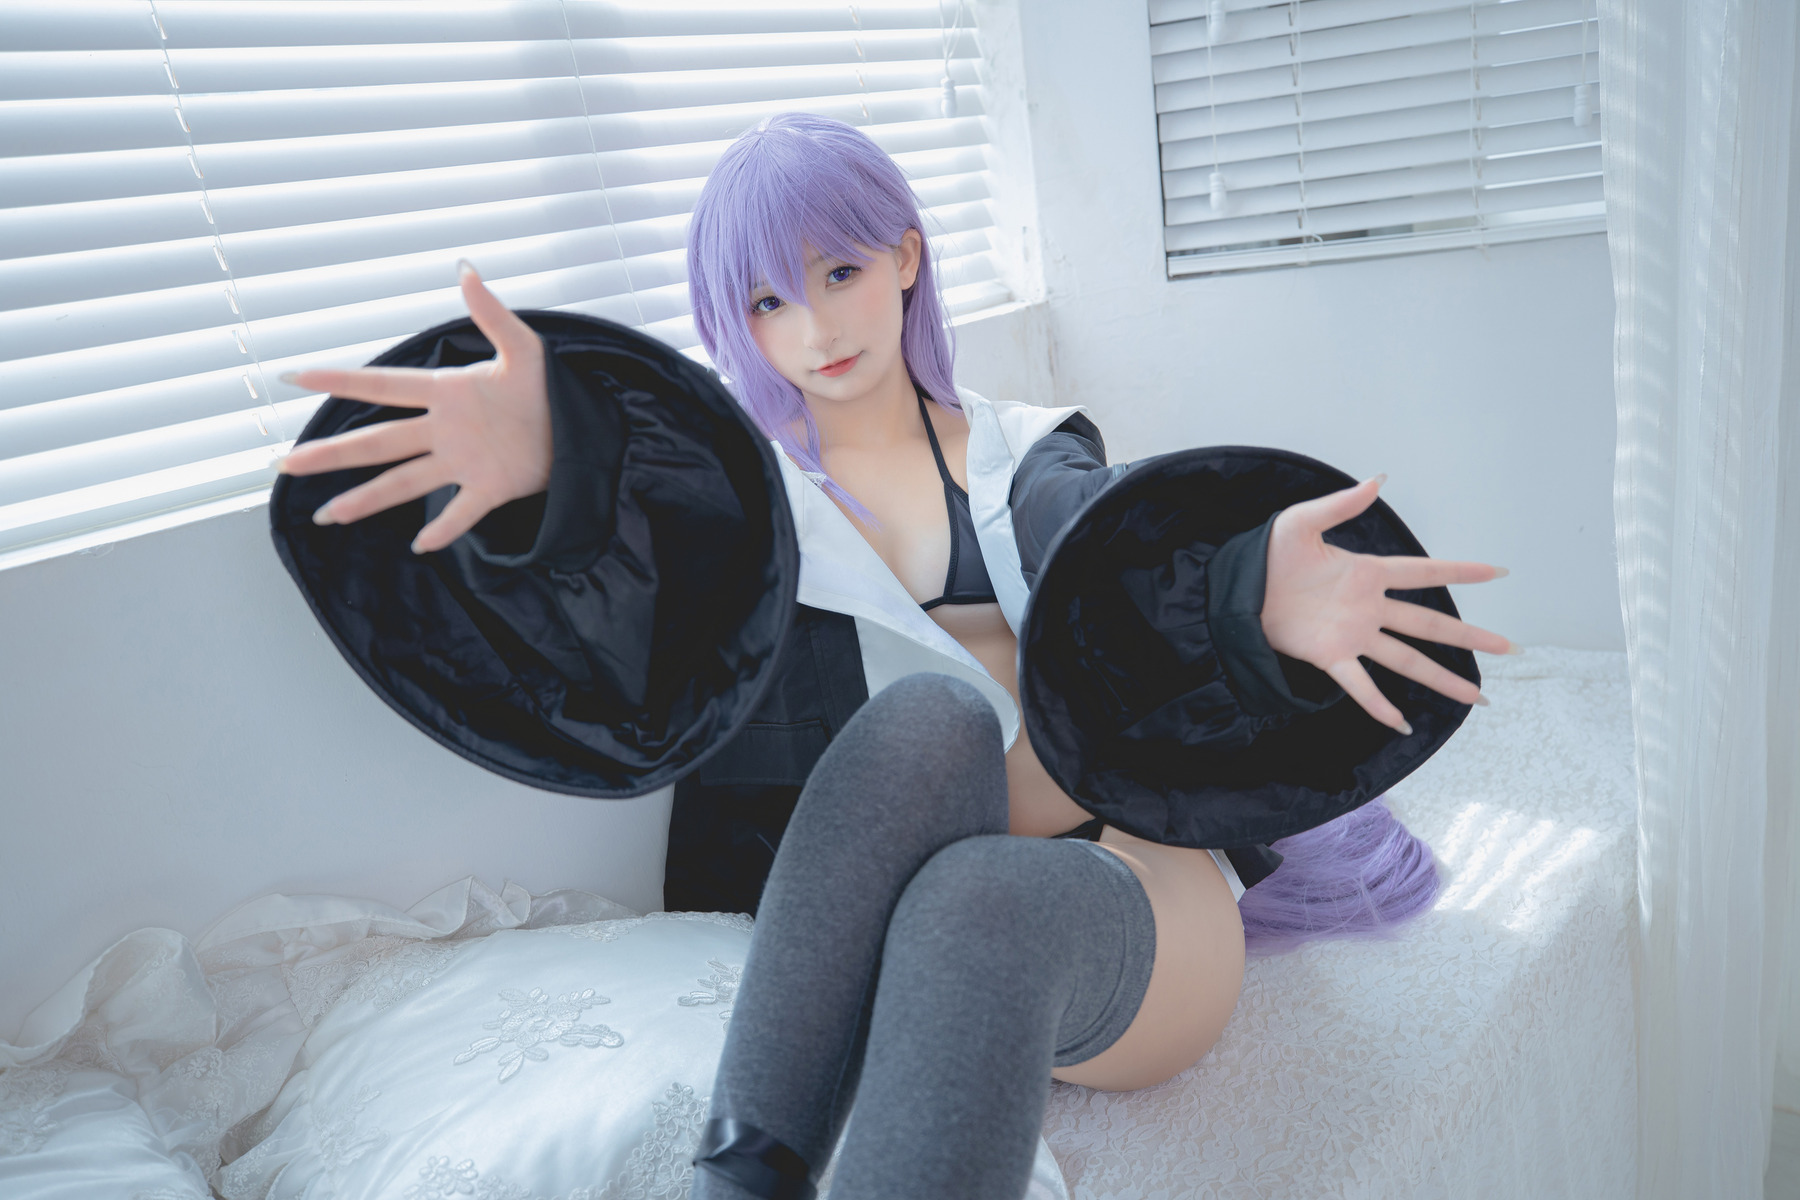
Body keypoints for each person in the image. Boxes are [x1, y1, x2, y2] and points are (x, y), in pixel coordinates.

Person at [275, 113, 1511, 1200]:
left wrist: (1244, 597)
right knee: (932, 721)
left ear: (907, 259)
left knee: (978, 897)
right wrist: (565, 481)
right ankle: (742, 1178)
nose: (814, 326)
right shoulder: (750, 515)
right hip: (892, 878)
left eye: (840, 271)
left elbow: (1123, 558)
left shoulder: (1029, 454)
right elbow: (650, 586)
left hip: (1118, 881)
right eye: (768, 302)